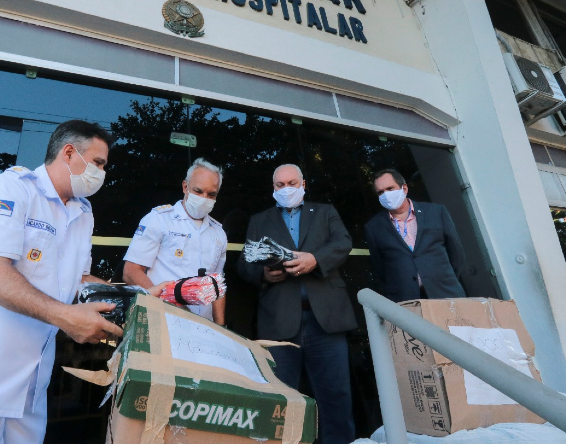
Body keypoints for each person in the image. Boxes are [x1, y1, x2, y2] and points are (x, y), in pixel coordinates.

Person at [0, 120, 164, 444]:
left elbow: (78, 280)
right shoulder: (10, 190)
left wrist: (137, 296)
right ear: (69, 152)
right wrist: (65, 317)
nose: (102, 173)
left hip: (29, 386)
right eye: (99, 163)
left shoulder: (82, 212)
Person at [237, 164, 357, 444]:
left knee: (335, 398)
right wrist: (263, 274)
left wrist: (315, 259)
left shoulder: (325, 212)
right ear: (273, 189)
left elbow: (343, 242)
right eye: (280, 185)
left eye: (292, 182)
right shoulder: (260, 219)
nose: (286, 188)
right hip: (279, 322)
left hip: (326, 320)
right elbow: (245, 262)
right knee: (280, 402)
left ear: (303, 184)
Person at [122, 158, 227, 324]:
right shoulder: (159, 220)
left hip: (204, 328)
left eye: (211, 194)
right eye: (198, 191)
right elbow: (131, 271)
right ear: (185, 187)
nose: (204, 198)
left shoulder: (218, 233)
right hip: (163, 320)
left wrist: (222, 329)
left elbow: (217, 285)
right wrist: (165, 305)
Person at [364, 169, 466, 302]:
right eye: (380, 192)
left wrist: (442, 279)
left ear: (404, 188)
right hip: (406, 300)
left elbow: (456, 253)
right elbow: (380, 268)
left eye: (390, 188)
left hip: (446, 293)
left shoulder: (435, 212)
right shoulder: (374, 227)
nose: (386, 195)